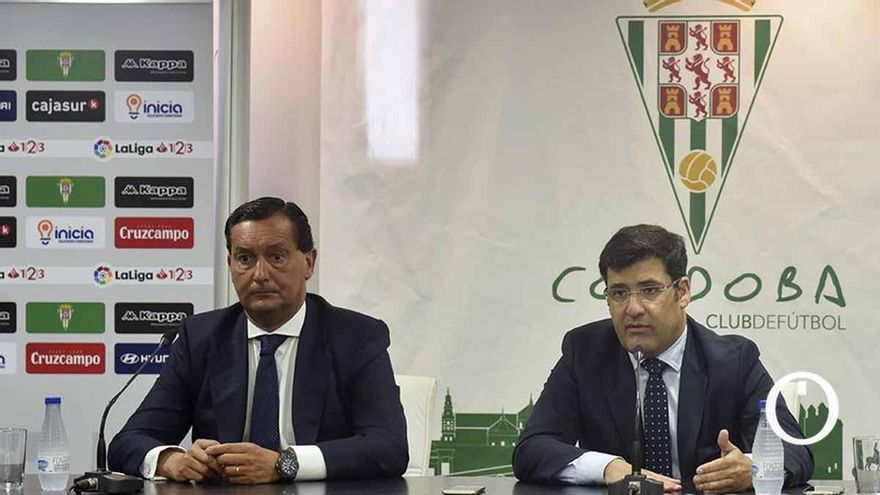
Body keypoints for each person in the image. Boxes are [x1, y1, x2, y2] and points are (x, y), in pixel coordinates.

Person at [108, 197, 408, 484]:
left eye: (276, 257)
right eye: (245, 259)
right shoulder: (200, 337)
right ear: (230, 264)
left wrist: (285, 464)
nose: (260, 274)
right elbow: (128, 442)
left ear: (309, 262)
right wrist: (171, 460)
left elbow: (389, 446)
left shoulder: (356, 337)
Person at [512, 225, 813, 492]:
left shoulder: (734, 361)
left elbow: (795, 451)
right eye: (619, 293)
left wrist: (753, 468)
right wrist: (610, 468)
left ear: (682, 292)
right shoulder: (585, 352)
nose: (633, 308)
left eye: (649, 290)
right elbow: (532, 449)